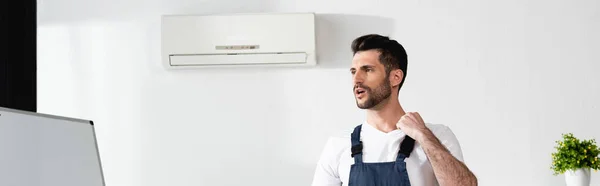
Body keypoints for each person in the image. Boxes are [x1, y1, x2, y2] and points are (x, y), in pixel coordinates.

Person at [310, 34, 477, 186]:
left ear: (395, 77)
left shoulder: (437, 136)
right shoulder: (339, 144)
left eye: (368, 70)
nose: (356, 79)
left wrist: (423, 136)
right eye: (353, 71)